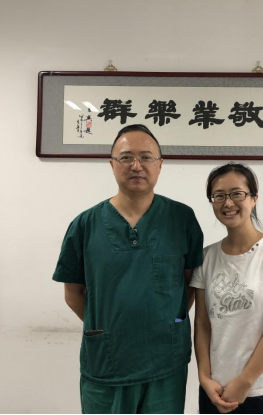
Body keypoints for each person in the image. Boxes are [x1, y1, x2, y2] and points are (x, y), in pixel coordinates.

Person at [53, 124, 204, 414]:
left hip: (166, 362)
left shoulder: (181, 218)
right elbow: (73, 293)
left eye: (146, 157)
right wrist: (109, 327)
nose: (136, 165)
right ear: (112, 164)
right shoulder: (85, 225)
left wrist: (165, 322)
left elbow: (190, 285)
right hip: (107, 362)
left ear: (160, 165)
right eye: (126, 157)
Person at [191, 162, 263, 415]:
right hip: (215, 390)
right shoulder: (206, 258)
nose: (228, 203)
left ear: (254, 199)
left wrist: (244, 382)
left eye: (237, 194)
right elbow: (202, 324)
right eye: (219, 196)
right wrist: (204, 378)